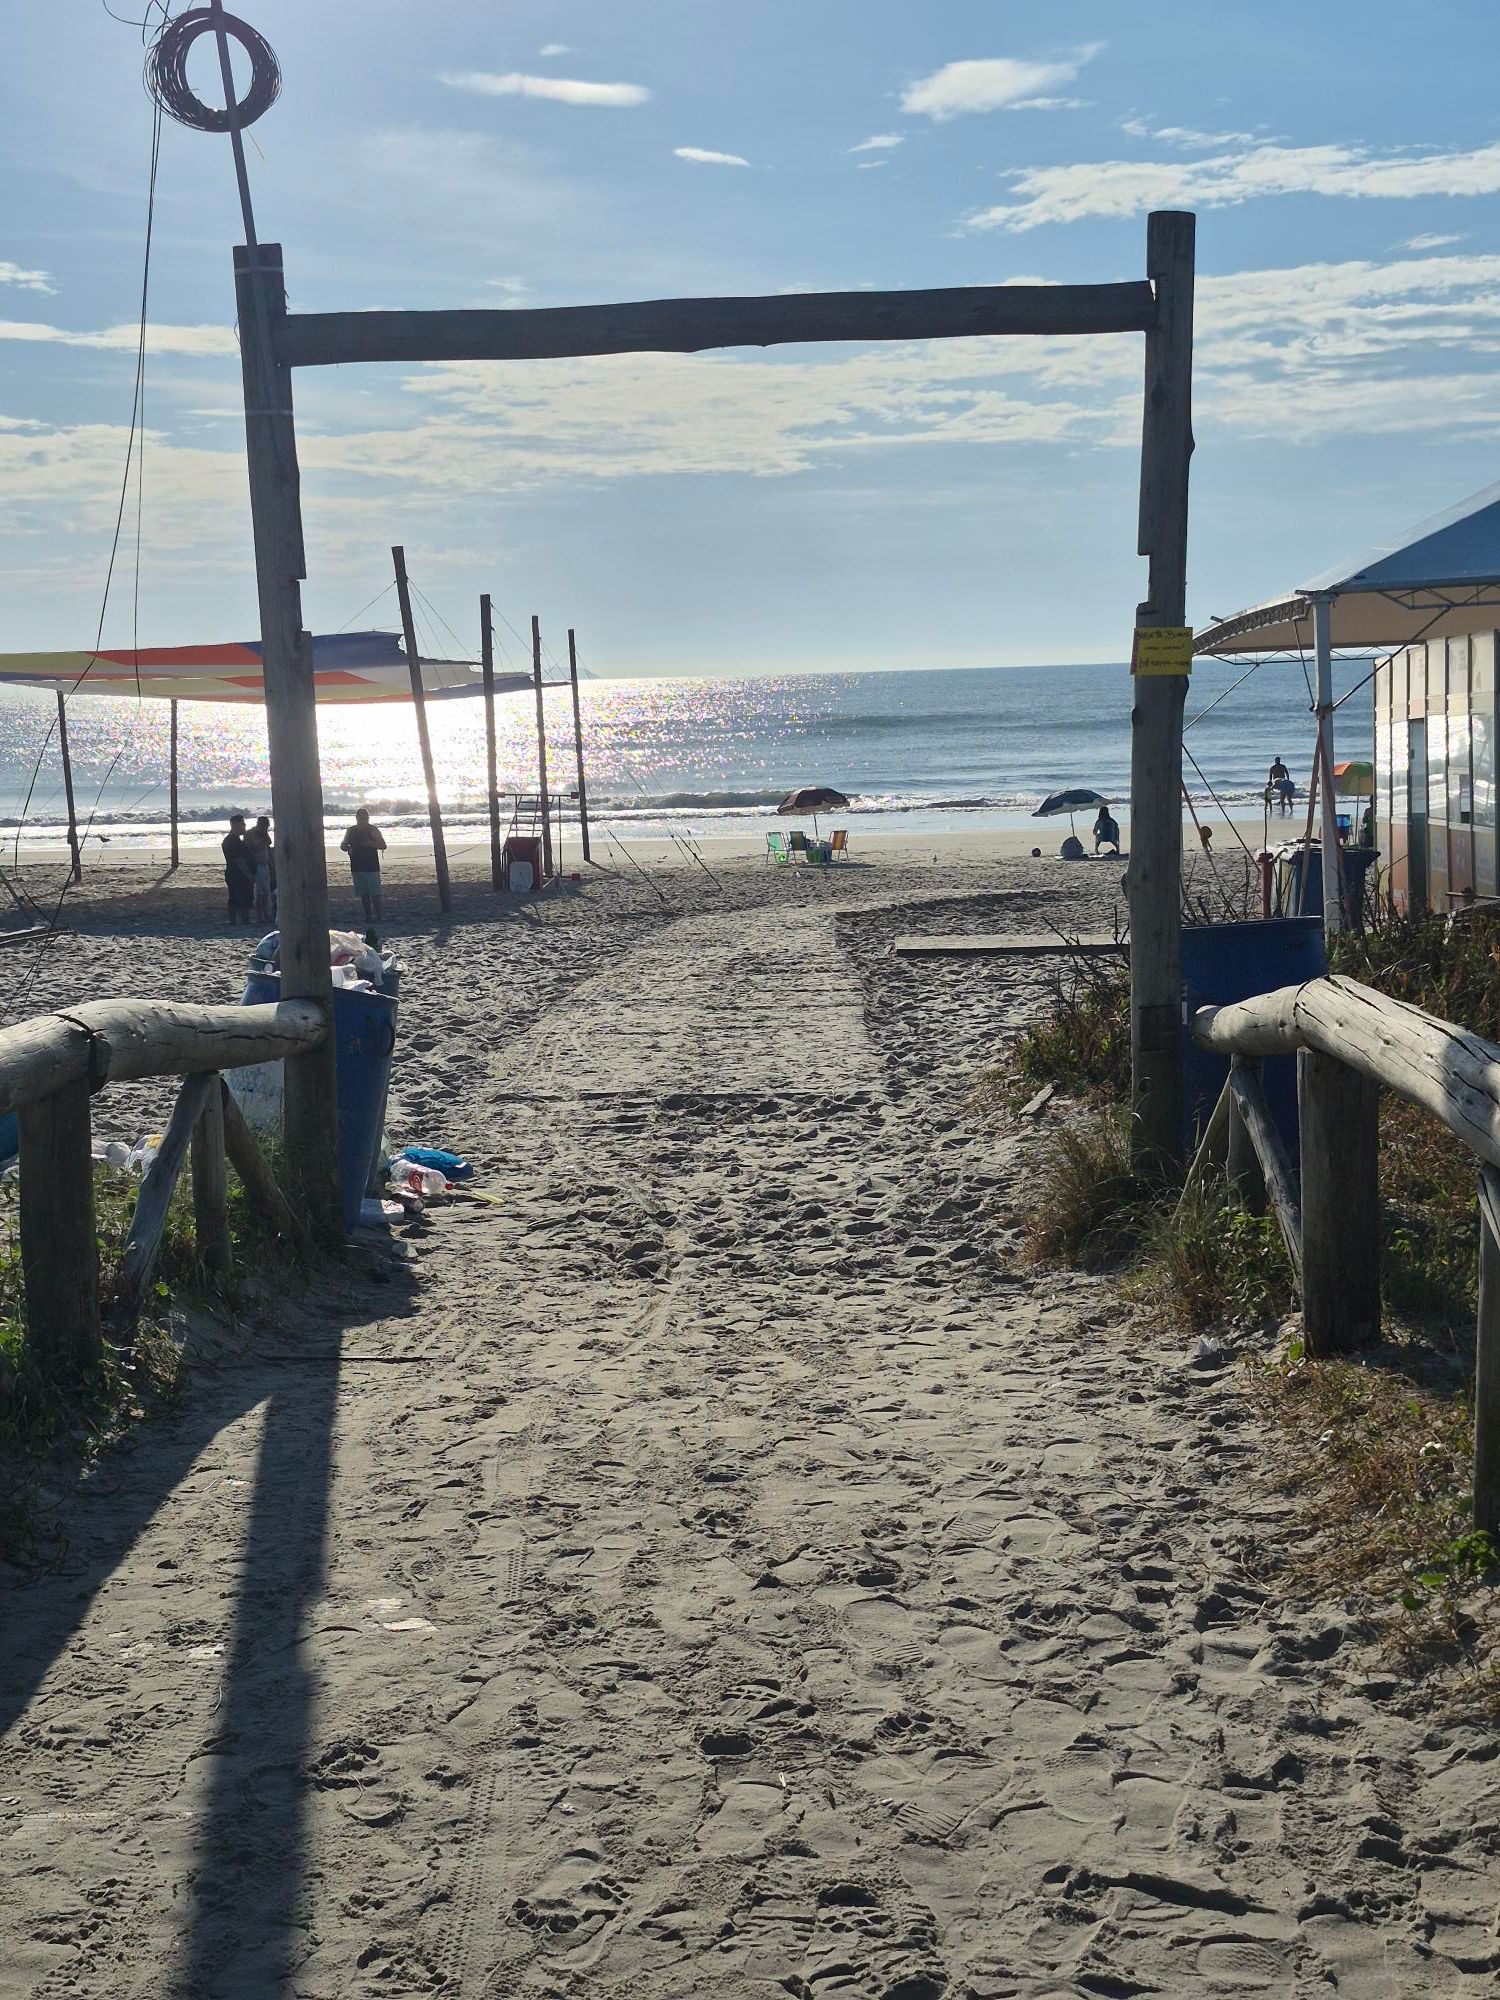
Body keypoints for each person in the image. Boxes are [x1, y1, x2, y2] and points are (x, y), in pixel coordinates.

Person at [340, 807, 387, 923]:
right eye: (360, 818)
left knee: (375, 893)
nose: (362, 820)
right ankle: (368, 916)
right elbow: (343, 845)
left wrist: (371, 843)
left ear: (367, 818)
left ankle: (379, 916)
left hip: (371, 866)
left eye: (364, 818)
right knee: (364, 894)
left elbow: (383, 845)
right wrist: (348, 848)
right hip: (356, 865)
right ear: (356, 818)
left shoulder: (372, 830)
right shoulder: (351, 830)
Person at [221, 814, 256, 926]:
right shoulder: (232, 841)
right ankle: (242, 920)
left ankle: (238, 920)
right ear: (236, 825)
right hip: (237, 874)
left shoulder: (235, 840)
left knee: (237, 897)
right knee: (240, 897)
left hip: (235, 873)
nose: (244, 826)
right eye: (243, 824)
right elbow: (239, 860)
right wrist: (249, 875)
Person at [244, 814, 275, 924]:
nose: (266, 829)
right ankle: (262, 915)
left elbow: (269, 843)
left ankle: (263, 915)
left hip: (265, 863)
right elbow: (248, 849)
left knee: (265, 891)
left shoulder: (263, 833)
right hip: (256, 864)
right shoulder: (250, 834)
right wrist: (261, 842)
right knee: (262, 892)